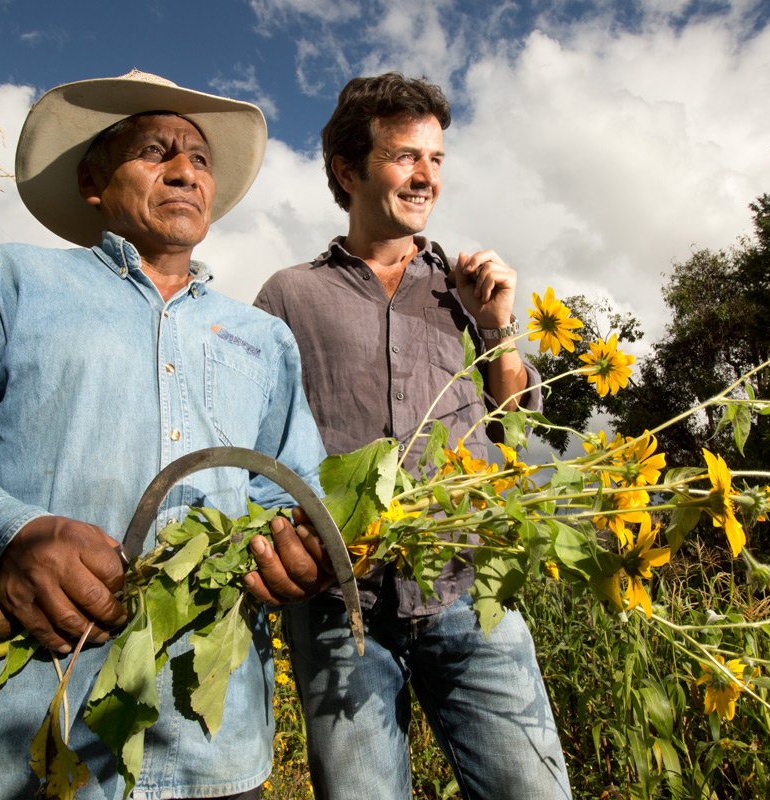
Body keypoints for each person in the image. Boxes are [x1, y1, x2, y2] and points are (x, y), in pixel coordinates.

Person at [0, 71, 332, 800]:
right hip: (29, 742)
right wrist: (8, 540)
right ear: (92, 179)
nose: (184, 170)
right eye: (154, 151)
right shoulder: (7, 283)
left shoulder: (264, 340)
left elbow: (293, 489)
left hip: (213, 752)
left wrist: (296, 550)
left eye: (199, 158)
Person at [254, 73, 573, 800]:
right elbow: (260, 439)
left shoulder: (469, 286)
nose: (426, 175)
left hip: (467, 593)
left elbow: (514, 430)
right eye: (405, 156)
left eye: (436, 158)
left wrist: (499, 328)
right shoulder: (287, 296)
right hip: (342, 605)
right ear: (348, 170)